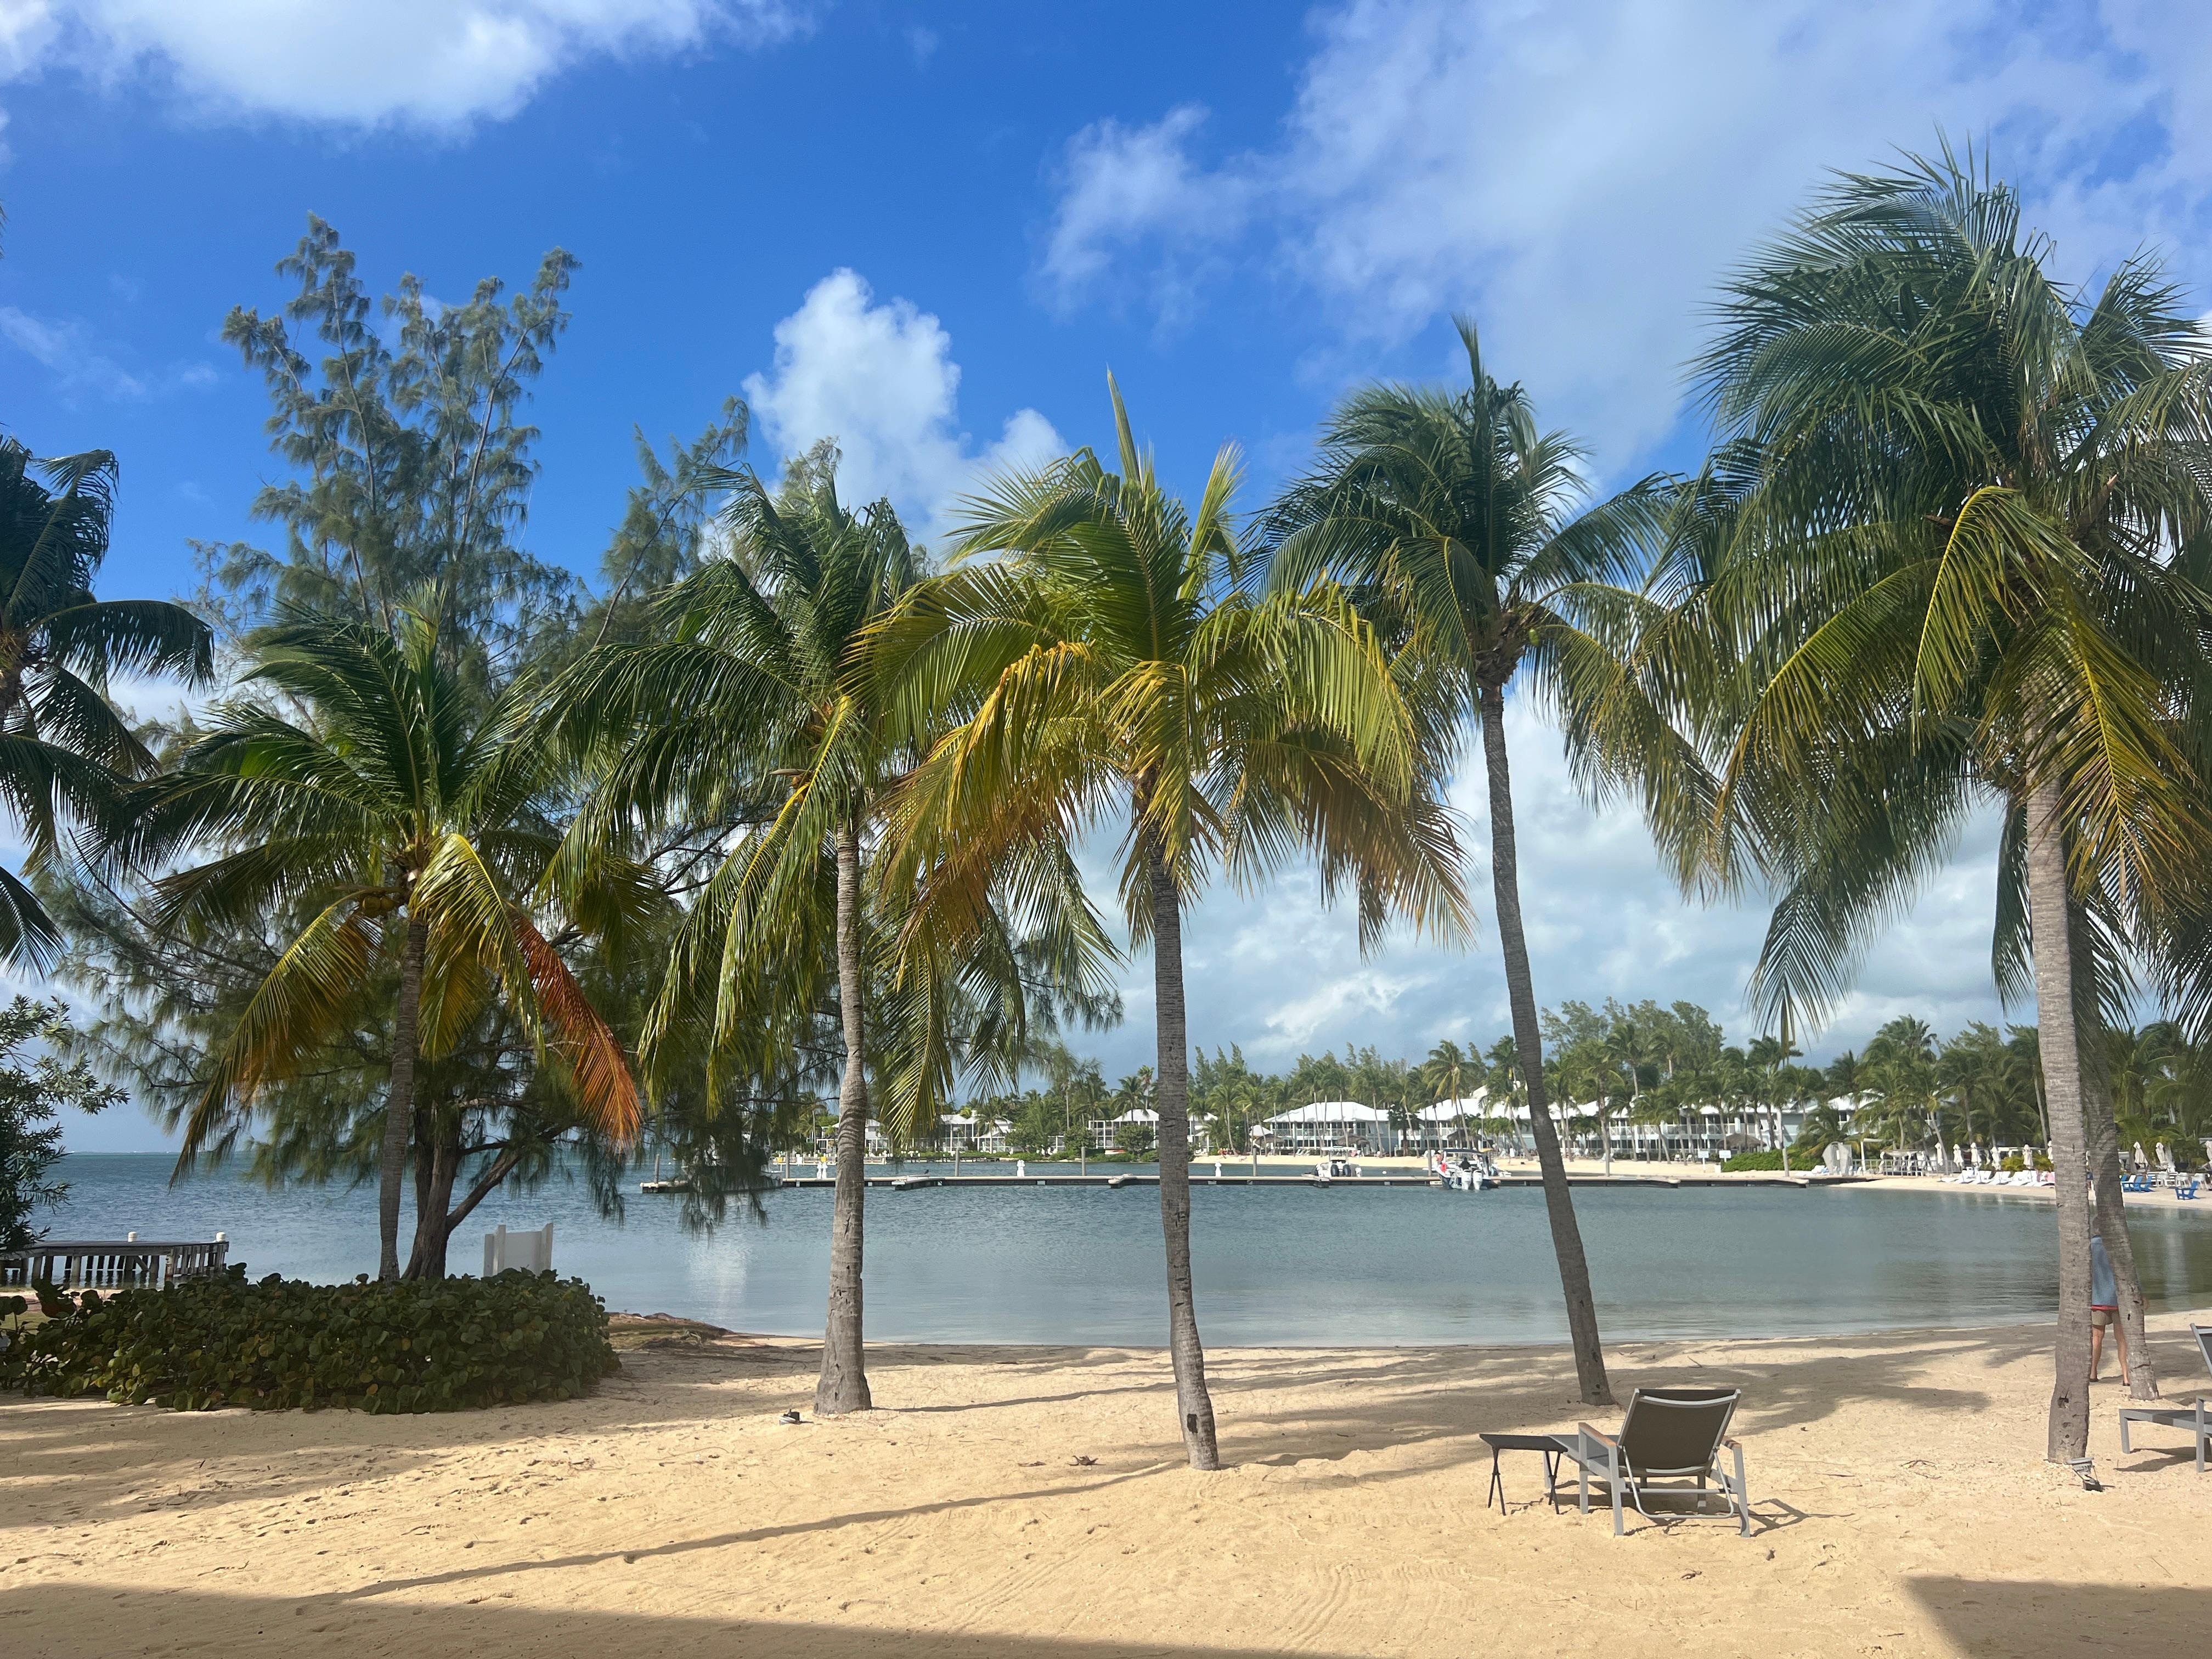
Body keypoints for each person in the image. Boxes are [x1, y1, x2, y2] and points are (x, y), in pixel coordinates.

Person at [2089, 1221, 2129, 1384]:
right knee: (2122, 1339)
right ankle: (2126, 1376)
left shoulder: (2089, 1248)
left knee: (2097, 1338)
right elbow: (2130, 1270)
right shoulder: (2118, 1247)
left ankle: (2092, 1373)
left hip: (2097, 1299)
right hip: (2119, 1298)